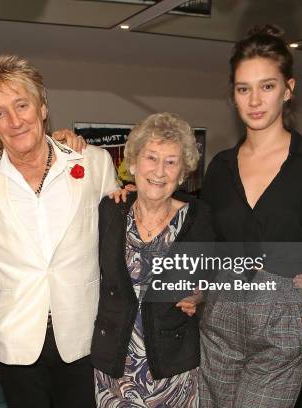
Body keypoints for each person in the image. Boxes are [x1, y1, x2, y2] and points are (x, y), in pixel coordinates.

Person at [198, 25, 302, 408]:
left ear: (288, 89)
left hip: (284, 323)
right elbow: (207, 239)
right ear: (233, 95)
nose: (255, 100)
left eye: (267, 86)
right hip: (220, 321)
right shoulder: (220, 167)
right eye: (243, 88)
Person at [0, 55, 119, 408]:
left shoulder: (93, 164)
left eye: (22, 105)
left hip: (83, 336)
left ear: (43, 108)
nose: (15, 121)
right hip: (16, 339)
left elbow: (120, 248)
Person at [91, 112, 214, 407]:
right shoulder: (111, 210)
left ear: (182, 173)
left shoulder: (199, 219)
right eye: (151, 158)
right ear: (133, 163)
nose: (159, 171)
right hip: (114, 370)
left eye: (171, 162)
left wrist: (203, 293)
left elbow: (220, 272)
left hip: (173, 371)